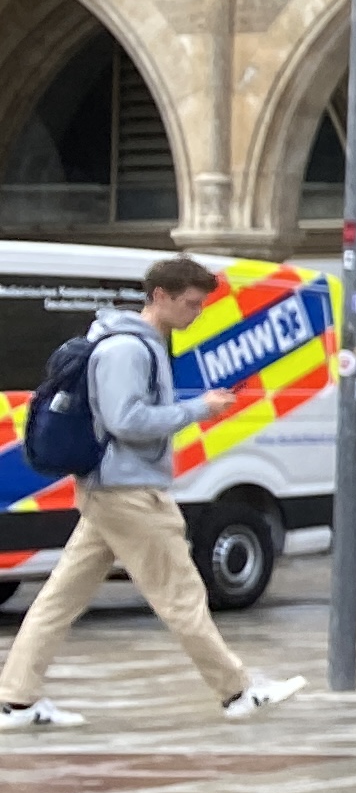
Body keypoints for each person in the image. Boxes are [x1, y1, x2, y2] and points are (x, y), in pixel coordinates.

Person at [0, 254, 306, 731]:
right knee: (182, 596)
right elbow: (126, 421)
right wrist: (197, 409)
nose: (196, 313)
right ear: (159, 296)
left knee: (59, 598)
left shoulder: (132, 343)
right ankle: (238, 691)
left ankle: (16, 701)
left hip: (110, 491)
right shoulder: (128, 350)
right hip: (129, 492)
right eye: (190, 303)